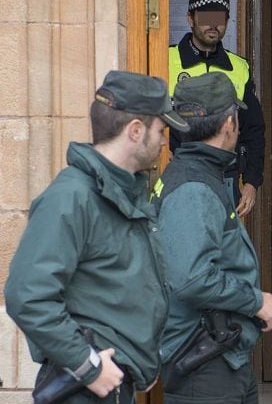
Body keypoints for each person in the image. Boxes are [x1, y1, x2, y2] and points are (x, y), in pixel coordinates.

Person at [3, 71, 190, 403]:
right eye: (161, 131)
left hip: (114, 385)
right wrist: (86, 364)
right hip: (84, 389)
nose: (165, 141)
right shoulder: (71, 197)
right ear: (135, 130)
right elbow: (26, 295)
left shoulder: (125, 192)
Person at [152, 72, 272, 404]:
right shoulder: (193, 187)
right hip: (202, 361)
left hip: (222, 353)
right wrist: (255, 302)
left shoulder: (200, 174)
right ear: (230, 122)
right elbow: (191, 278)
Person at [169, 0, 265, 216]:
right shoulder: (165, 59)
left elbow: (254, 129)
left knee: (224, 246)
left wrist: (251, 182)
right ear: (190, 19)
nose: (213, 25)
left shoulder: (239, 67)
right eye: (206, 18)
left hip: (227, 178)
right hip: (179, 174)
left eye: (219, 19)